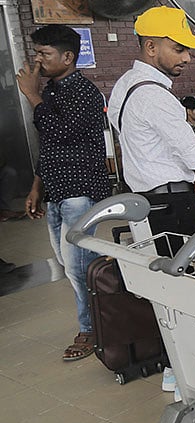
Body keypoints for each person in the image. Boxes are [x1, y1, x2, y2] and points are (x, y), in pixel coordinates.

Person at [108, 6, 195, 395]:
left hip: (145, 203)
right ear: (151, 47)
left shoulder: (124, 86)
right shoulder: (157, 97)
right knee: (186, 286)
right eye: (179, 49)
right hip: (173, 205)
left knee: (163, 288)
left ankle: (173, 365)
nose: (188, 58)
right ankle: (186, 371)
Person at [15, 24, 110, 361]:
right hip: (57, 190)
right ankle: (102, 318)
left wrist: (32, 95)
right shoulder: (53, 91)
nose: (38, 60)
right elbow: (50, 145)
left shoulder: (84, 92)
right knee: (72, 264)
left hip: (79, 190)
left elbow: (63, 131)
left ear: (68, 57)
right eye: (36, 53)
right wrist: (36, 187)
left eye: (45, 54)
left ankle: (91, 329)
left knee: (78, 267)